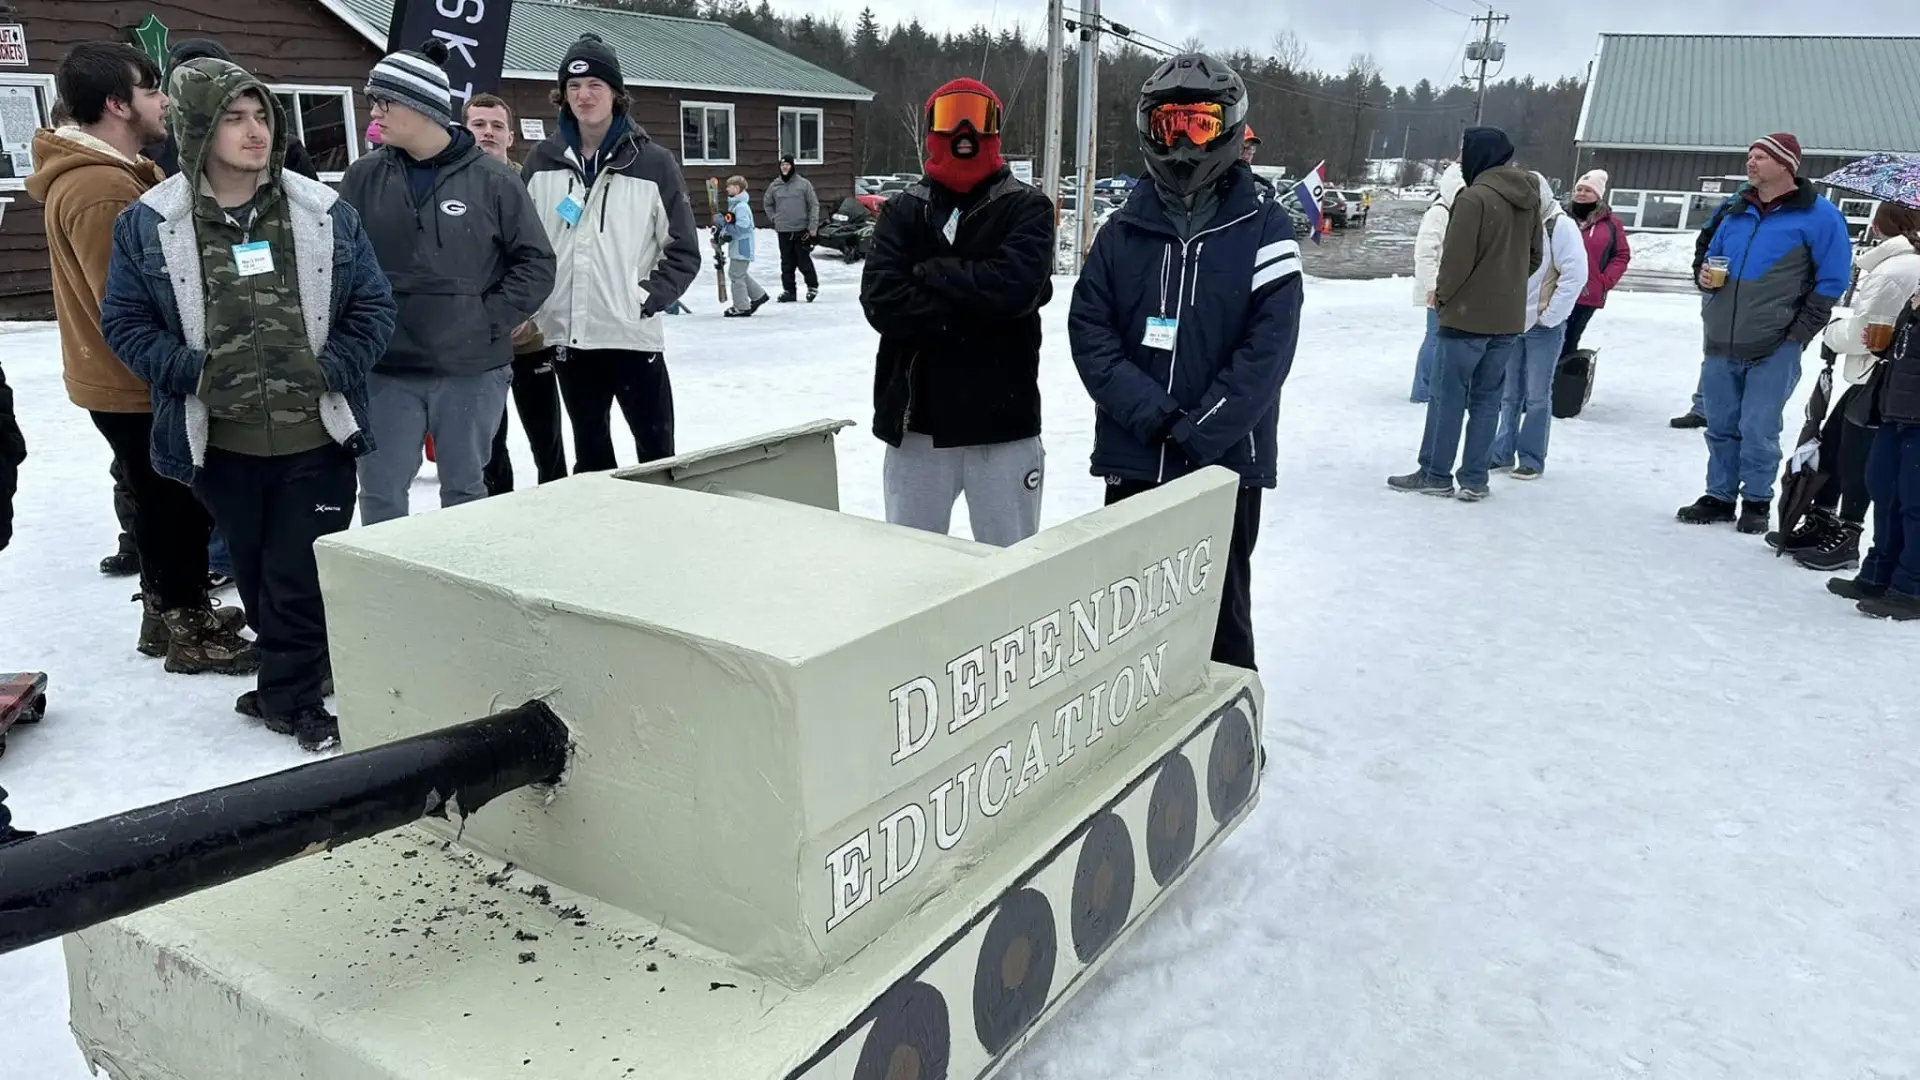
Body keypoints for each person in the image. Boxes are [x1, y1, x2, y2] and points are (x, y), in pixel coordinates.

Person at [101, 57, 398, 748]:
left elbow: (374, 307)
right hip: (222, 444)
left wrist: (332, 366)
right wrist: (191, 371)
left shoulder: (322, 212)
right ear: (198, 127)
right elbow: (124, 322)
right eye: (234, 118)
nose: (255, 131)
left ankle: (294, 700)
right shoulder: (150, 224)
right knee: (261, 578)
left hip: (318, 437)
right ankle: (286, 679)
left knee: (298, 573)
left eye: (261, 115)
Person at [1068, 54, 1303, 669]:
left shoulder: (1264, 226)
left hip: (1225, 461)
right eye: (1169, 123)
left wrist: (1205, 429)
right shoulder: (1124, 229)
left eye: (1199, 124)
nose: (1181, 142)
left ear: (1229, 128)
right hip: (1136, 453)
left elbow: (1269, 347)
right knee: (1127, 609)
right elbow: (1090, 331)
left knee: (1221, 609)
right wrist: (1155, 416)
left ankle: (1233, 739)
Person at [27, 41, 252, 671]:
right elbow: (132, 303)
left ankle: (166, 610)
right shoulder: (102, 190)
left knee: (162, 499)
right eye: (152, 91)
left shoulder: (123, 174)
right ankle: (187, 626)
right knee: (170, 504)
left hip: (121, 378)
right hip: (134, 380)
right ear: (116, 105)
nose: (163, 102)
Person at [339, 42, 555, 525]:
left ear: (420, 105)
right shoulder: (361, 178)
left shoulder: (495, 180)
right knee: (380, 494)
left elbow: (536, 263)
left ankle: (461, 595)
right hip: (385, 369)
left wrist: (486, 320)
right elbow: (338, 267)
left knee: (465, 493)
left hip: (470, 368)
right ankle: (389, 598)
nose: (374, 113)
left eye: (384, 102)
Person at [862, 77, 1056, 547]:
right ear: (930, 129)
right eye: (951, 117)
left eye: (979, 117)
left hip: (1003, 428)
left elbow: (1016, 288)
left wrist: (930, 273)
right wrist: (978, 306)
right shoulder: (903, 212)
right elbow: (883, 301)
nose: (965, 131)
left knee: (1012, 572)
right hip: (915, 429)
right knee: (910, 575)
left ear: (995, 131)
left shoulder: (1028, 208)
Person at [523, 33, 701, 472]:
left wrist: (642, 299)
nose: (583, 96)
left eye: (595, 85)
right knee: (592, 457)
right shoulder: (541, 162)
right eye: (574, 86)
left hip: (631, 336)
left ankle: (660, 533)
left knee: (657, 454)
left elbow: (683, 250)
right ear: (562, 95)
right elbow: (523, 247)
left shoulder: (653, 163)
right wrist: (534, 305)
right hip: (569, 339)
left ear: (616, 94)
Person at [1678, 133, 1853, 534]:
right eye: (1749, 156)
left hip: (1776, 343)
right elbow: (1706, 255)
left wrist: (1798, 334)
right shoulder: (1734, 209)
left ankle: (1756, 500)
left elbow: (1832, 281)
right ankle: (1719, 495)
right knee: (1721, 425)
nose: (1750, 162)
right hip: (1722, 336)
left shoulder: (1820, 216)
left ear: (1786, 165)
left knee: (1758, 428)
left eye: (1760, 157)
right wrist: (1704, 278)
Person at [1387, 126, 1541, 500]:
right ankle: (1475, 478)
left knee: (1447, 397)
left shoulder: (1473, 199)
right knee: (1488, 401)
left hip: (1466, 319)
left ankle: (1435, 474)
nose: (1460, 159)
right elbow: (1536, 257)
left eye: (1464, 152)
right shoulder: (1529, 198)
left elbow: (1454, 265)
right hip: (1506, 321)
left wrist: (1443, 298)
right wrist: (1506, 287)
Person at [1775, 202, 1920, 569]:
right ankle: (1825, 521)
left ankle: (1846, 533)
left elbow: (1869, 333)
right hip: (1876, 375)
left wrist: (1833, 332)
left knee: (1856, 456)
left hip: (1877, 375)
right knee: (1838, 442)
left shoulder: (1896, 269)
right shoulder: (1894, 265)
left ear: (1884, 223)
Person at [463, 93, 570, 495]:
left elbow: (554, 253)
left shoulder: (534, 185)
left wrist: (528, 313)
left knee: (548, 443)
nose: (488, 133)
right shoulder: (449, 186)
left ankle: (557, 510)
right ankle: (500, 517)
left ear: (510, 135)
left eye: (496, 126)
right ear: (464, 130)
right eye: (478, 125)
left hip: (531, 340)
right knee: (490, 446)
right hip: (477, 343)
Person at [1488, 172, 1588, 479]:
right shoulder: (1518, 224)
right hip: (1513, 322)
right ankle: (1501, 451)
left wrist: (1552, 315)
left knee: (1536, 395)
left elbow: (1575, 275)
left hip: (1544, 325)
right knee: (1509, 393)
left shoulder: (1560, 226)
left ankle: (1531, 457)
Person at [1830, 294, 1920, 619]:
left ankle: (1911, 588)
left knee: (1915, 503)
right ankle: (1878, 574)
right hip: (1895, 411)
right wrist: (1887, 348)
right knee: (1883, 490)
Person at [142, 37, 318, 181]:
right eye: (188, 83)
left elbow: (320, 213)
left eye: (261, 116)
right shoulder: (152, 154)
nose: (202, 91)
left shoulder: (284, 148)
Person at [1409, 162, 1465, 403]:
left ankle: (1440, 388)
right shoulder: (1440, 211)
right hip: (1440, 289)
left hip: (1456, 288)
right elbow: (1425, 252)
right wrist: (1432, 286)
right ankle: (1423, 391)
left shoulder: (1460, 211)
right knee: (1435, 337)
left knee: (1447, 340)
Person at [1561, 169, 1630, 356]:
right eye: (1579, 189)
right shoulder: (1560, 218)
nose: (1582, 193)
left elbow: (1621, 255)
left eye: (1588, 190)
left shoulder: (1611, 223)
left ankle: (1562, 381)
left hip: (1587, 294)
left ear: (1598, 195)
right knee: (1547, 341)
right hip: (1556, 291)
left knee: (1569, 341)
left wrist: (1605, 280)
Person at [765, 154, 820, 302]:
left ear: (792, 166)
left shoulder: (803, 184)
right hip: (783, 229)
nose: (785, 167)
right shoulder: (775, 185)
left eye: (787, 164)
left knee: (803, 260)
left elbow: (813, 205)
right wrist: (774, 218)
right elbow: (767, 203)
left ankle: (812, 287)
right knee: (787, 262)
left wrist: (812, 225)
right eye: (782, 165)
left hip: (801, 229)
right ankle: (789, 291)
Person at [720, 175, 770, 317]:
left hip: (742, 246)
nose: (727, 189)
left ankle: (741, 306)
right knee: (739, 273)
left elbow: (743, 227)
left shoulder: (741, 207)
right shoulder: (736, 205)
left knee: (736, 275)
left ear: (737, 188)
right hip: (739, 246)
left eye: (729, 186)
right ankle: (758, 295)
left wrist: (728, 231)